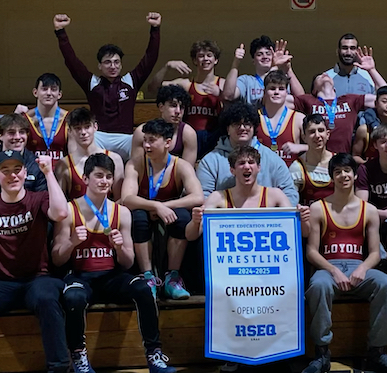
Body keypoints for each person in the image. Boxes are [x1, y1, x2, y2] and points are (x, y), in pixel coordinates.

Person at [187, 145, 309, 373]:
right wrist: (195, 221)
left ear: (259, 168)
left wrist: (304, 219)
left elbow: (301, 233)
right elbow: (191, 235)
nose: (247, 167)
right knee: (223, 292)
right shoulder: (218, 197)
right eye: (241, 163)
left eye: (251, 162)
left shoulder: (275, 195)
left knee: (287, 289)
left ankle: (279, 348)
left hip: (267, 275)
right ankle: (232, 352)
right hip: (233, 276)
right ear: (232, 170)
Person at [52, 153, 176, 373]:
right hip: (81, 277)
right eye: (99, 176)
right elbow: (57, 258)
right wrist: (72, 242)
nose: (104, 181)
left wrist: (119, 248)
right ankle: (78, 356)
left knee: (145, 289)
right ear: (85, 178)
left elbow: (127, 263)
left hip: (111, 277)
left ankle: (154, 354)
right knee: (73, 297)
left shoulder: (122, 213)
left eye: (109, 176)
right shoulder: (70, 210)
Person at [303, 153, 387, 373]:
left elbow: (375, 253)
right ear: (332, 177)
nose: (343, 175)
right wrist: (333, 270)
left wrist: (363, 268)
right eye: (337, 172)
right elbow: (311, 251)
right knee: (318, 285)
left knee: (385, 283)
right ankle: (322, 352)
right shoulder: (318, 208)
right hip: (328, 267)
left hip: (358, 267)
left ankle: (377, 352)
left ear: (355, 174)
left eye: (347, 171)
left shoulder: (368, 210)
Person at [0, 151, 69, 373]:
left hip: (37, 278)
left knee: (46, 298)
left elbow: (61, 213)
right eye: (5, 171)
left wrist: (48, 173)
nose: (12, 175)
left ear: (25, 173)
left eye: (17, 170)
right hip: (0, 282)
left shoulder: (39, 198)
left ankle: (59, 368)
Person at [53, 12, 162, 161]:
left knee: (140, 138)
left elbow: (150, 58)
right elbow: (71, 61)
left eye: (116, 62)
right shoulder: (92, 83)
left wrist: (155, 29)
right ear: (100, 66)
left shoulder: (130, 81)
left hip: (125, 138)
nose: (113, 66)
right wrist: (60, 32)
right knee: (86, 140)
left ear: (121, 65)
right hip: (99, 137)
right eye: (107, 62)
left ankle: (136, 175)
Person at [122, 119, 204, 299]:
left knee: (183, 218)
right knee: (137, 217)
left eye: (152, 140)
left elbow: (198, 197)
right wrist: (156, 206)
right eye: (145, 140)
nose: (146, 145)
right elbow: (127, 198)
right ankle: (148, 277)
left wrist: (164, 206)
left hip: (169, 211)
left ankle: (172, 278)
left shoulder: (181, 165)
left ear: (167, 142)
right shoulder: (135, 164)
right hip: (144, 210)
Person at [196, 101, 299, 206]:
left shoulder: (272, 159)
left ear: (254, 128)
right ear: (227, 129)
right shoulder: (210, 162)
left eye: (247, 124)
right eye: (236, 124)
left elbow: (290, 194)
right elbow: (203, 198)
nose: (242, 128)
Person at [148, 40, 224, 158]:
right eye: (201, 56)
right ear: (195, 60)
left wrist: (221, 94)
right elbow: (153, 88)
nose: (205, 59)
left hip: (213, 138)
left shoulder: (222, 84)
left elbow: (235, 103)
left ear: (216, 60)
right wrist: (167, 66)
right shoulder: (186, 84)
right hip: (189, 137)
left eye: (209, 55)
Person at [293, 63, 377, 154]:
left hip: (342, 159)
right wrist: (285, 69)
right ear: (314, 90)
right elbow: (281, 99)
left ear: (334, 89)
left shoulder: (349, 100)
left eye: (327, 75)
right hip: (317, 158)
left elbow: (384, 99)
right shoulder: (308, 100)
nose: (324, 74)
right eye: (319, 77)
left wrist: (372, 70)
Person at [0, 113, 46, 201]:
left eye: (22, 132)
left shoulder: (35, 163)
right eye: (11, 133)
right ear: (0, 135)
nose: (18, 137)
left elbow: (42, 199)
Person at [55, 107, 124, 200]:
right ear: (70, 131)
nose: (83, 132)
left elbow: (119, 201)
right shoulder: (63, 165)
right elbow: (60, 203)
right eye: (78, 128)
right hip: (77, 209)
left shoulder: (115, 159)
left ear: (95, 127)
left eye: (87, 127)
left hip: (108, 209)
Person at [222, 37, 304, 105]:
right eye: (259, 54)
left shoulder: (282, 79)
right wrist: (235, 63)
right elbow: (228, 96)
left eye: (268, 54)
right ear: (253, 61)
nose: (265, 57)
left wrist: (288, 69)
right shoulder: (246, 80)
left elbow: (302, 99)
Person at [131, 85, 198, 167]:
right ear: (161, 107)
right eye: (173, 105)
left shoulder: (188, 134)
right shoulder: (142, 132)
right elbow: (136, 167)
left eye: (182, 107)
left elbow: (187, 170)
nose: (178, 111)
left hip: (175, 174)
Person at [15, 73, 69, 165]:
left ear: (59, 94)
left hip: (61, 172)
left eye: (53, 89)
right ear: (35, 92)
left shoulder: (69, 119)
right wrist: (14, 117)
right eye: (44, 89)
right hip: (32, 171)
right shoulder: (24, 119)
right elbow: (4, 147)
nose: (49, 93)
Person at [256, 71, 307, 166]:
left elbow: (319, 148)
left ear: (287, 93)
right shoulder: (254, 117)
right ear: (264, 92)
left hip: (290, 174)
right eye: (272, 88)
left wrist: (301, 147)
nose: (276, 92)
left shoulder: (299, 119)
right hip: (261, 174)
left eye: (281, 89)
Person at [353, 85, 387, 163]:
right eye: (384, 101)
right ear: (376, 103)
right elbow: (355, 156)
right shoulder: (364, 130)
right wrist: (371, 165)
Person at [289, 114, 335, 206]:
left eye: (321, 130)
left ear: (327, 134)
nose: (317, 135)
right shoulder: (297, 167)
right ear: (304, 137)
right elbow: (291, 202)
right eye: (312, 132)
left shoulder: (338, 163)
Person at [322, 33, 387, 97]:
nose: (348, 53)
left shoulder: (368, 76)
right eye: (345, 48)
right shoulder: (326, 77)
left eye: (352, 48)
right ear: (338, 51)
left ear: (357, 51)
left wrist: (372, 70)